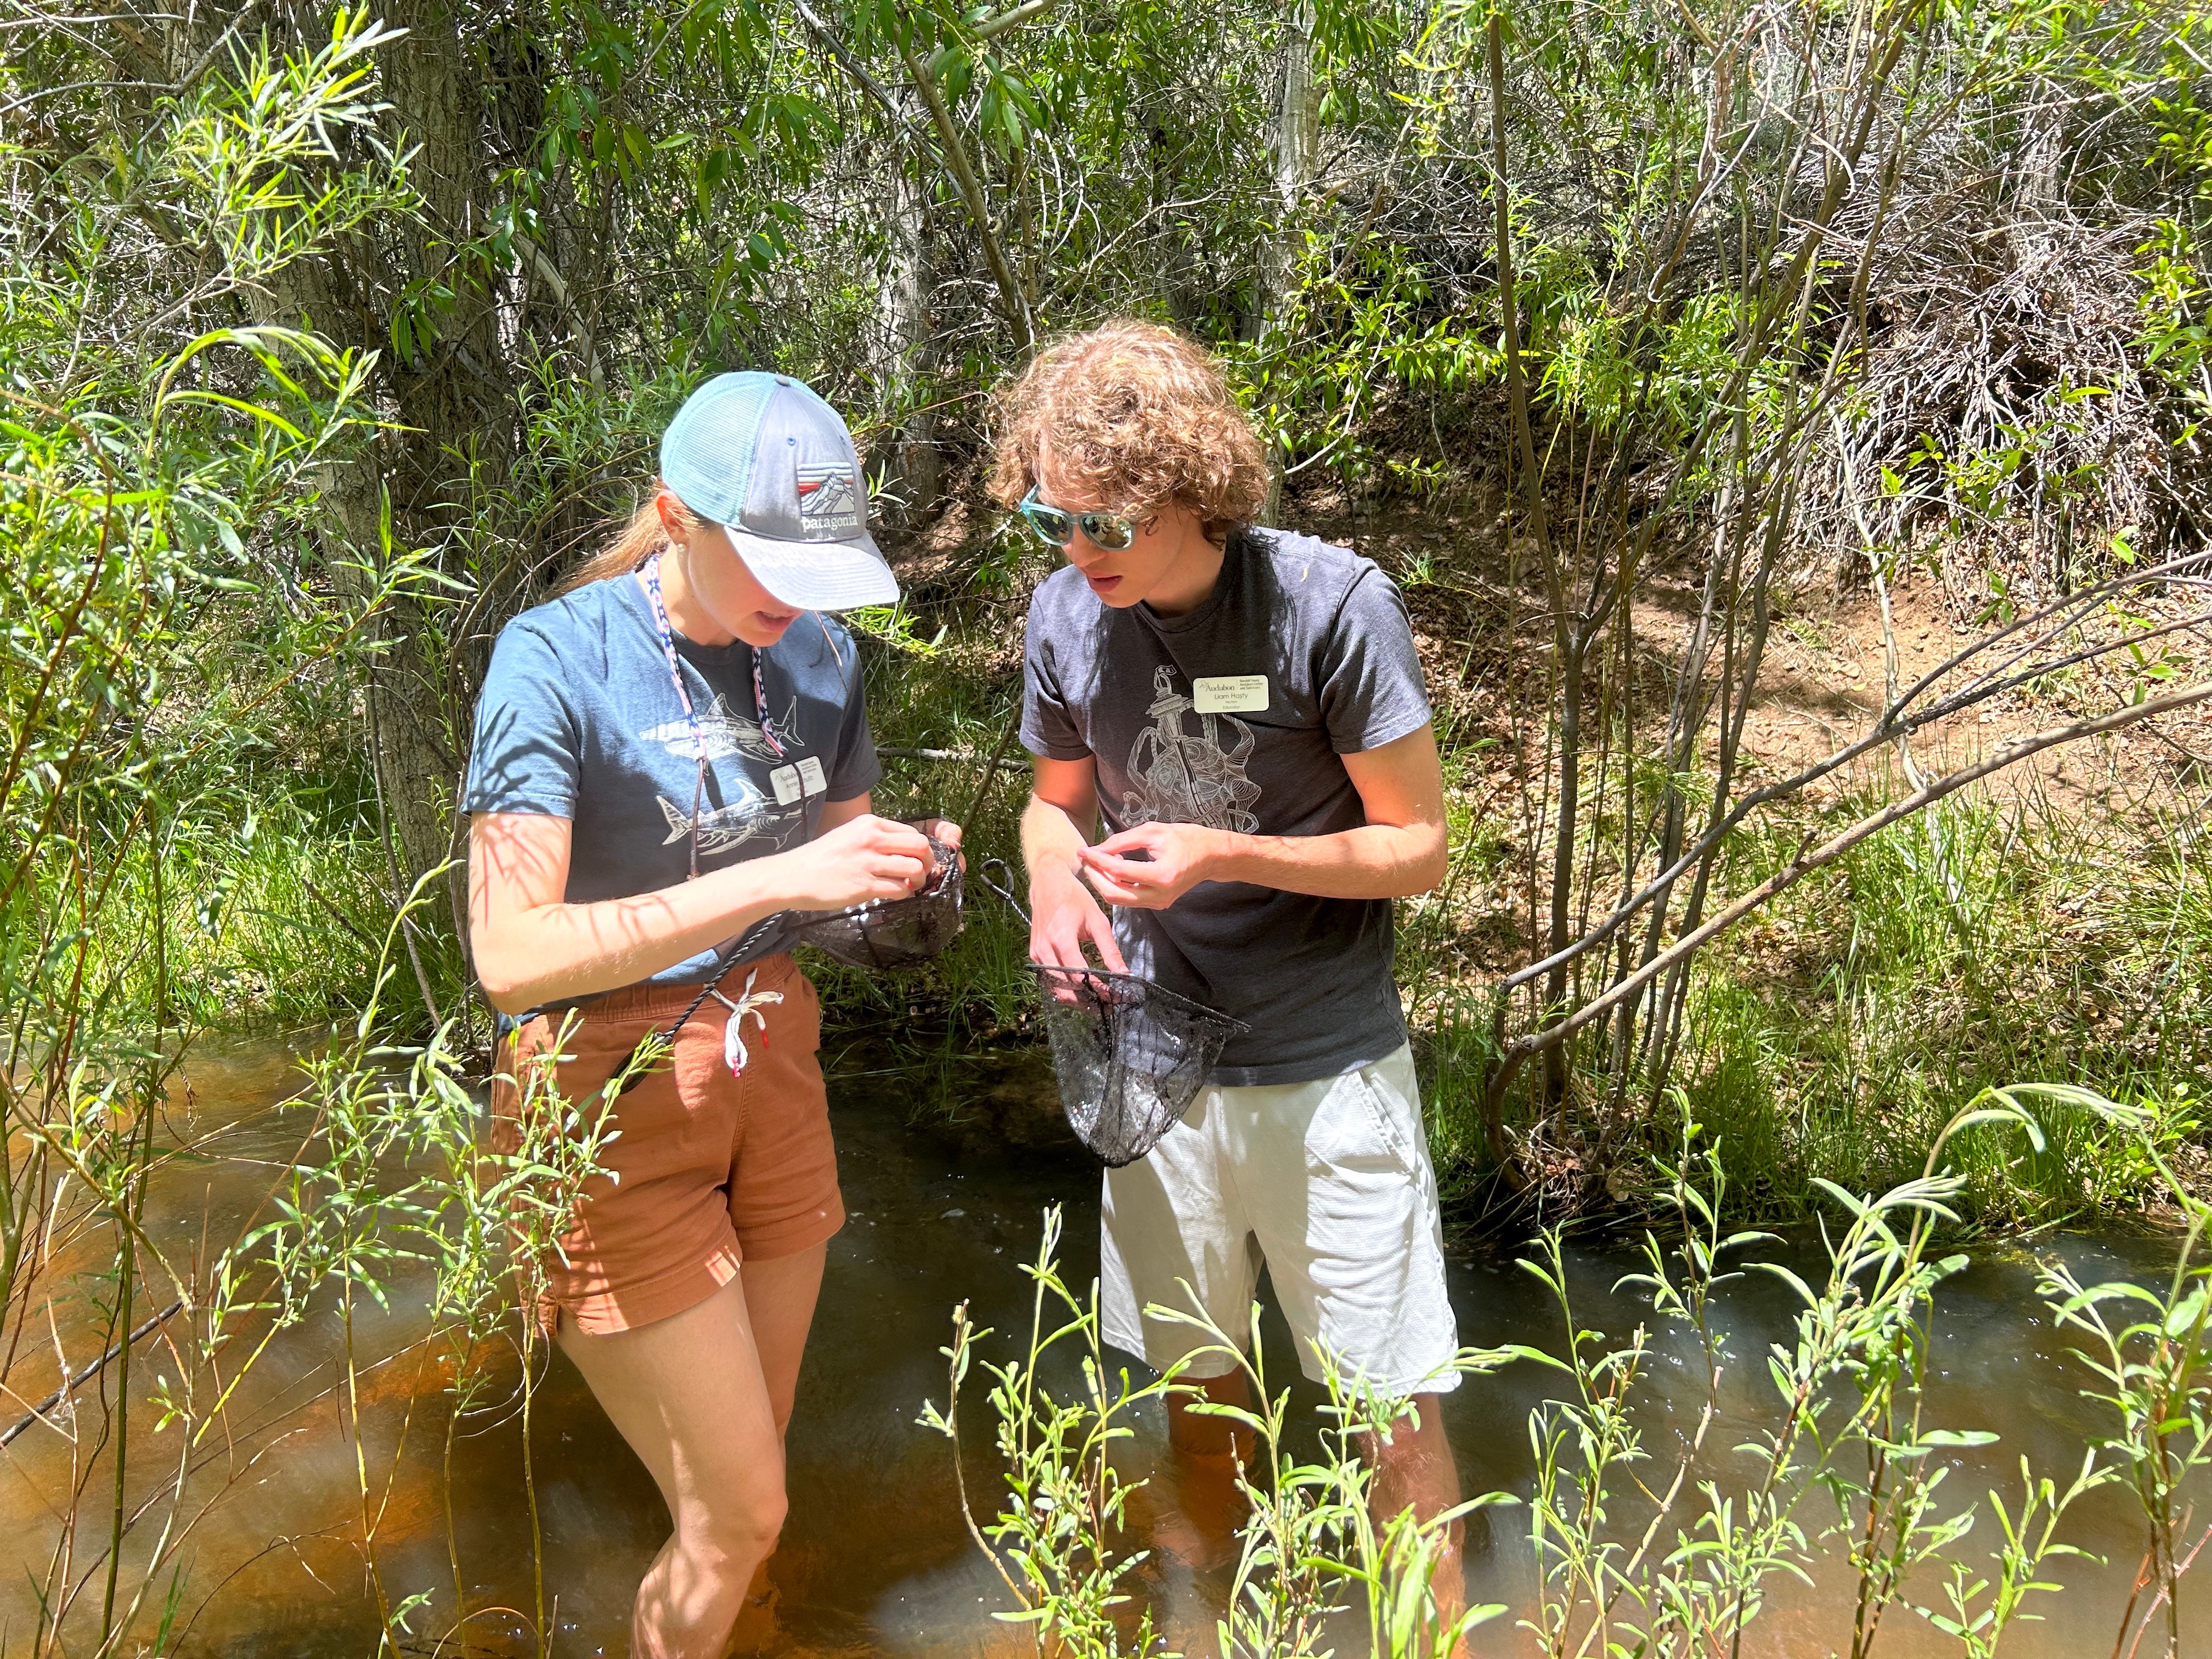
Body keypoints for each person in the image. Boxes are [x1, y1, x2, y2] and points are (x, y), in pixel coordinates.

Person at [464, 371, 955, 1659]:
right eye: (772, 558)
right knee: (741, 1511)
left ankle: (752, 1635)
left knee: (747, 1483)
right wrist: (780, 880)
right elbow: (510, 956)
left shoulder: (820, 655)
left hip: (771, 1067)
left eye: (818, 564)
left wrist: (901, 890)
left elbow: (838, 888)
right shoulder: (556, 659)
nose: (797, 595)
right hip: (604, 1094)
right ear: (676, 515)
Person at [995, 321, 1469, 1627]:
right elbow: (1053, 806)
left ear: (1189, 488)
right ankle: (1227, 1626)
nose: (1074, 550)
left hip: (1325, 1069)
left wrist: (1224, 852)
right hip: (1156, 1066)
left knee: (1391, 1416)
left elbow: (1419, 849)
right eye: (1049, 518)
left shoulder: (1330, 605)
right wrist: (1054, 880)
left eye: (1102, 523)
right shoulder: (1066, 615)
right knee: (1198, 1393)